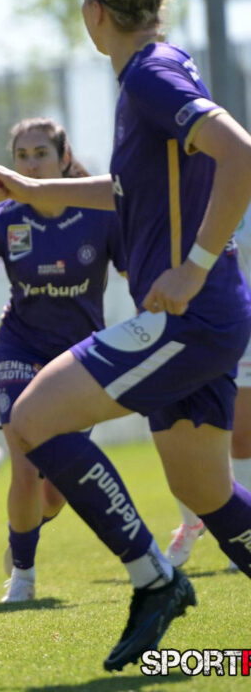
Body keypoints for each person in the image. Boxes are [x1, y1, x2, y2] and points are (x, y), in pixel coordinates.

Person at [0, 0, 251, 672]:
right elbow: (129, 193)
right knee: (205, 490)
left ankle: (154, 580)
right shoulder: (157, 73)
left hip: (187, 315)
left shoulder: (150, 79)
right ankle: (160, 580)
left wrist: (191, 268)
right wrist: (39, 190)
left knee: (32, 421)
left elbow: (242, 155)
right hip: (206, 315)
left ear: (94, 12)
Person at [0, 118, 125, 602]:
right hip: (19, 347)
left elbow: (135, 275)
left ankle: (23, 536)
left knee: (55, 489)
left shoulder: (101, 216)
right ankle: (23, 576)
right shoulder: (3, 221)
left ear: (62, 159)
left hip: (80, 356)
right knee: (23, 462)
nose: (31, 162)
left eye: (40, 153)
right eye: (22, 155)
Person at [166, 200, 251, 570]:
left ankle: (242, 529)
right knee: (186, 432)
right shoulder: (200, 189)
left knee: (242, 435)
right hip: (202, 323)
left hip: (241, 322)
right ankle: (192, 521)